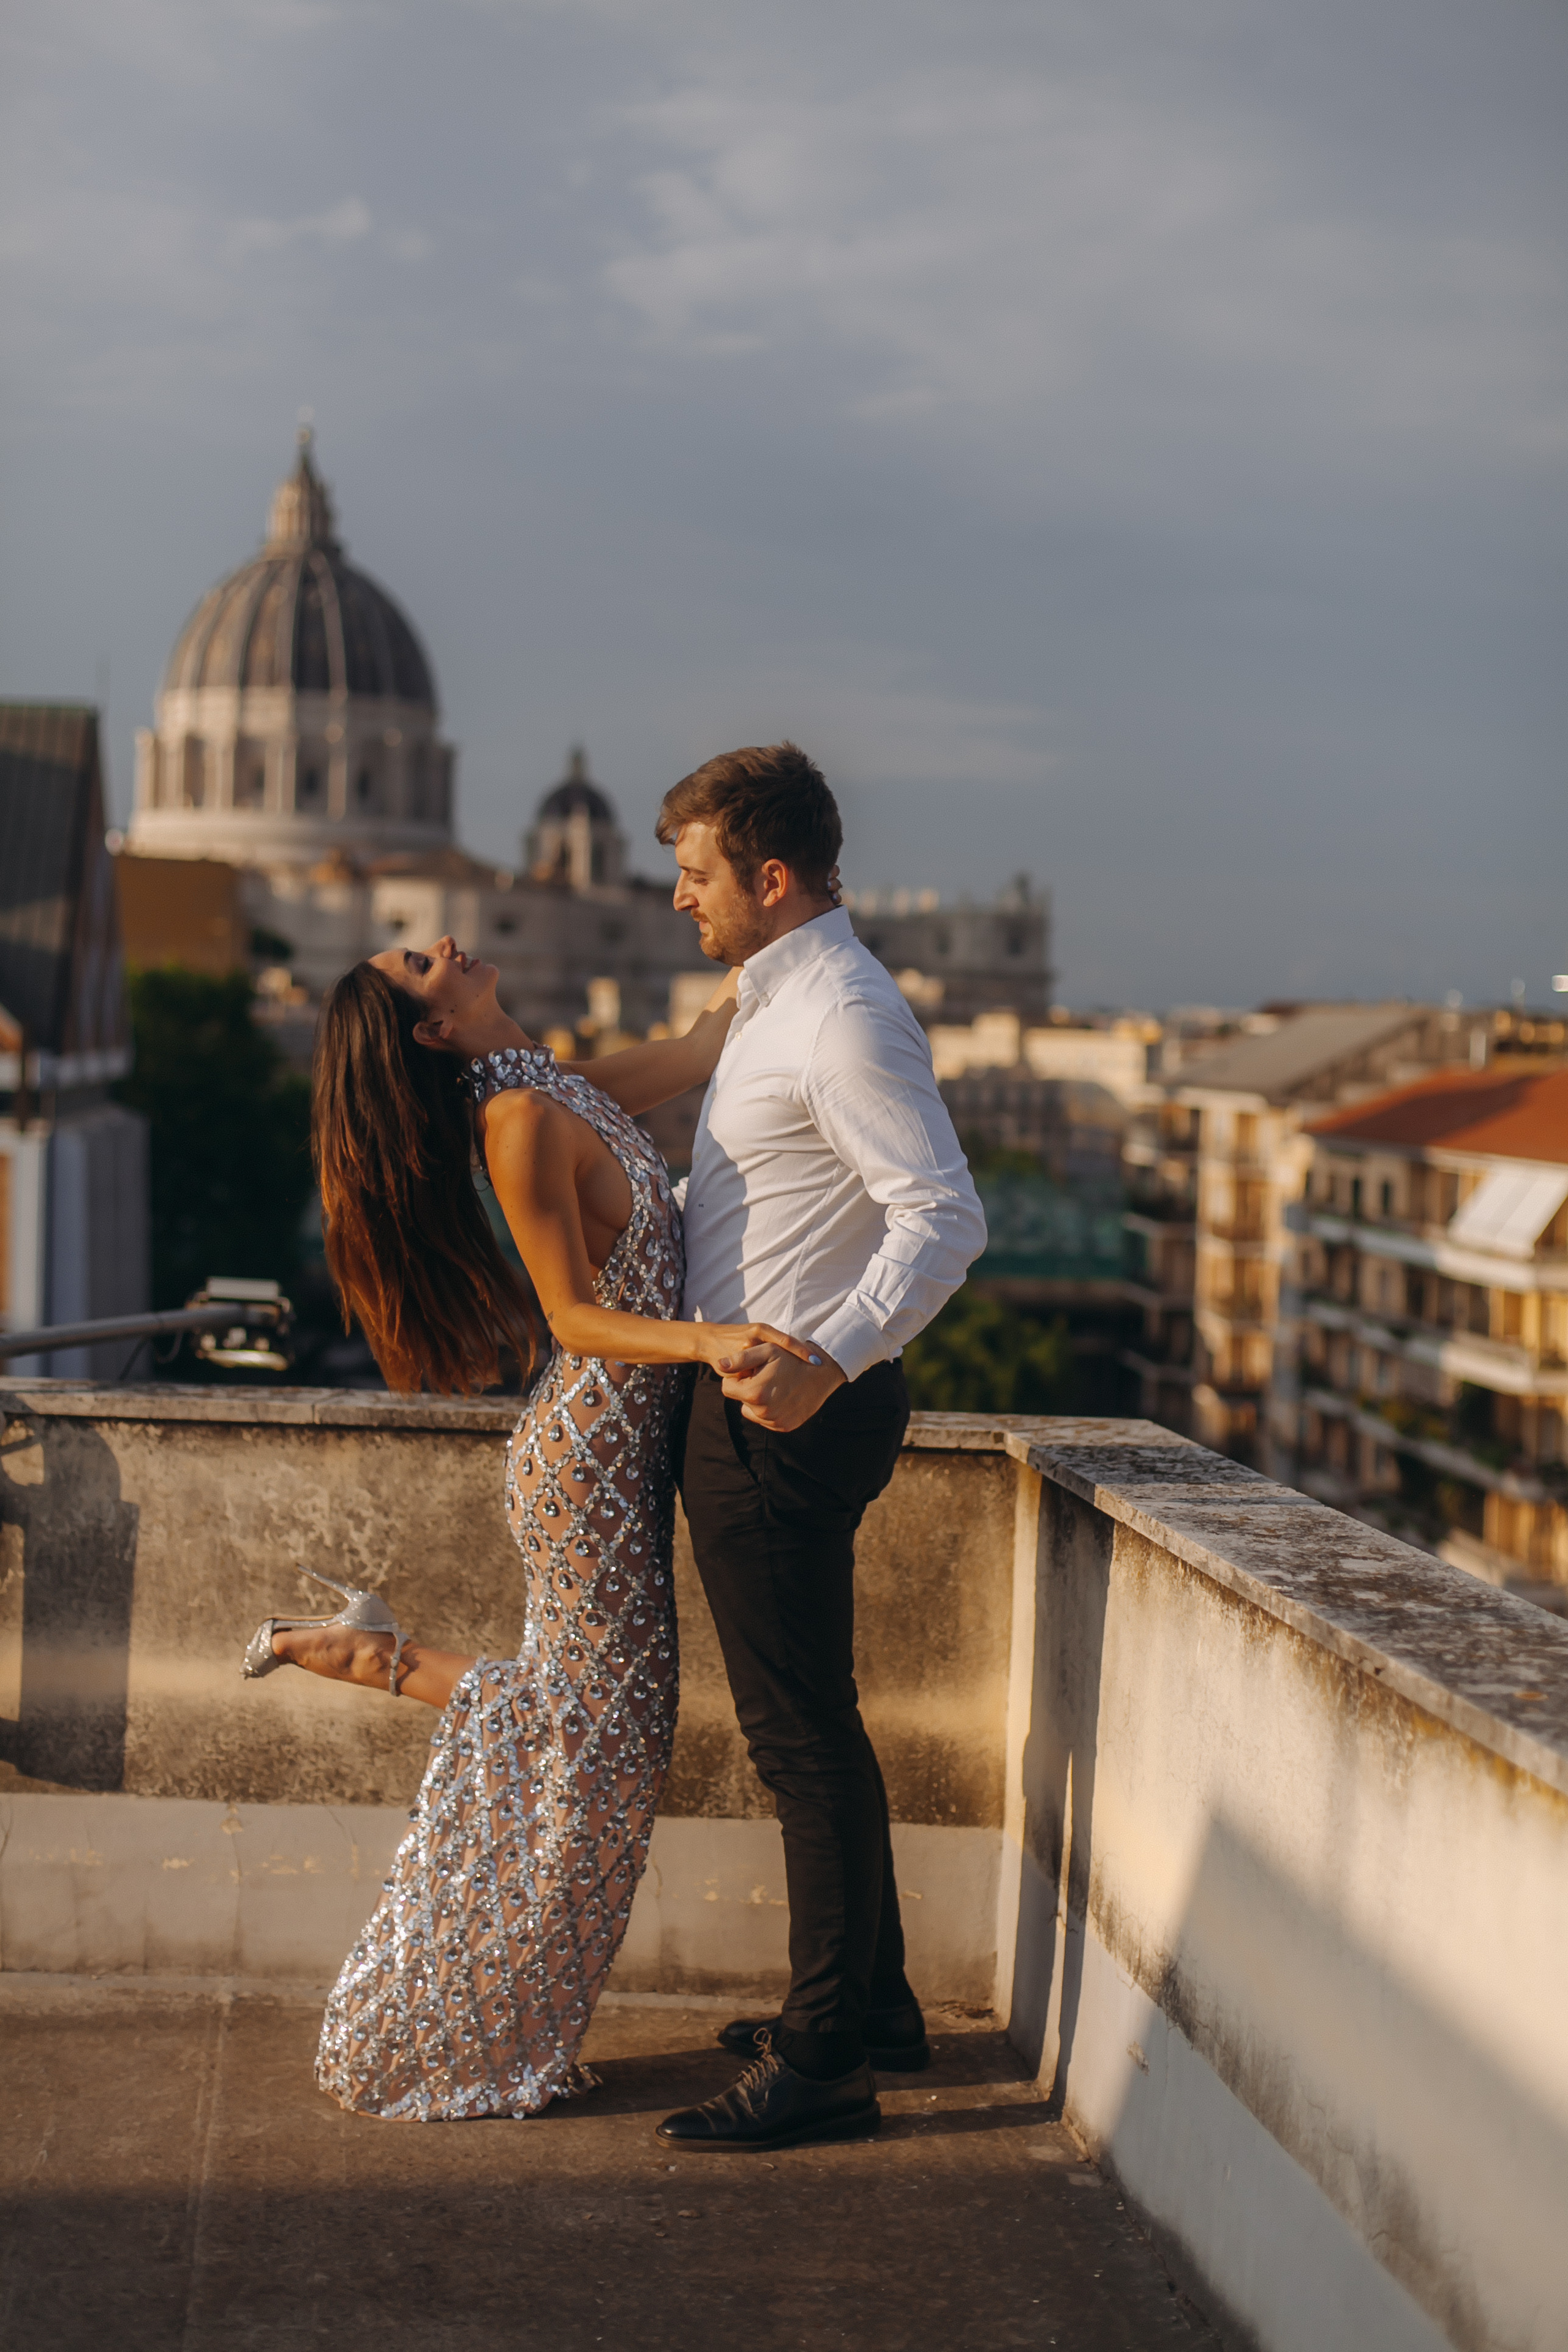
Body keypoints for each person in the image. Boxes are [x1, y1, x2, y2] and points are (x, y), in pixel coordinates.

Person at [238, 939, 813, 2120]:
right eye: (419, 963)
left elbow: (703, 1048)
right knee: (603, 1730)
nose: (445, 943)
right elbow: (575, 1317)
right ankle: (437, 2017)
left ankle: (372, 1653)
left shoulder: (560, 1083)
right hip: (586, 1458)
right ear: (436, 1030)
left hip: (606, 1454)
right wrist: (712, 1341)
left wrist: (779, 939)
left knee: (594, 1719)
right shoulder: (517, 1120)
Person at [650, 742, 987, 2155]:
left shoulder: (841, 1015)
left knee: (800, 1743)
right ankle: (874, 2010)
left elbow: (943, 1217)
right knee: (816, 1725)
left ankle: (824, 2056)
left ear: (767, 876)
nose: (681, 902)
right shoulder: (770, 1002)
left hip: (783, 1415)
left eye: (694, 875)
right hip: (764, 1400)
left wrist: (819, 1361)